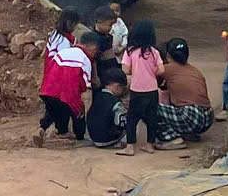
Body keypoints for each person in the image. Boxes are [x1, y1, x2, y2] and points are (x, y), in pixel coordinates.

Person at [37, 9, 90, 139]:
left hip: (50, 74)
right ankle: (66, 132)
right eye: (76, 24)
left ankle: (43, 128)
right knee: (65, 103)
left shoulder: (55, 35)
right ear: (70, 23)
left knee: (52, 107)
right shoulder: (64, 41)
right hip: (60, 76)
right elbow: (66, 60)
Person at [156, 37, 215, 143]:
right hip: (208, 117)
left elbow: (148, 84)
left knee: (147, 107)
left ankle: (172, 139)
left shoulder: (166, 69)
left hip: (191, 116)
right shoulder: (193, 69)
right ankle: (188, 133)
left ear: (167, 55)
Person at [120, 18, 165, 146]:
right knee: (151, 117)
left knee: (132, 118)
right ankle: (150, 145)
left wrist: (136, 71)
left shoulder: (130, 52)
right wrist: (152, 72)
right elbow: (162, 70)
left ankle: (130, 146)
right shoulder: (154, 52)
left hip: (137, 89)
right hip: (152, 89)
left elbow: (125, 70)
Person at [84, 68, 130, 144]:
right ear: (117, 86)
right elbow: (121, 123)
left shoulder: (96, 97)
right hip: (108, 139)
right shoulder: (115, 102)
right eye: (122, 88)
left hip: (94, 137)